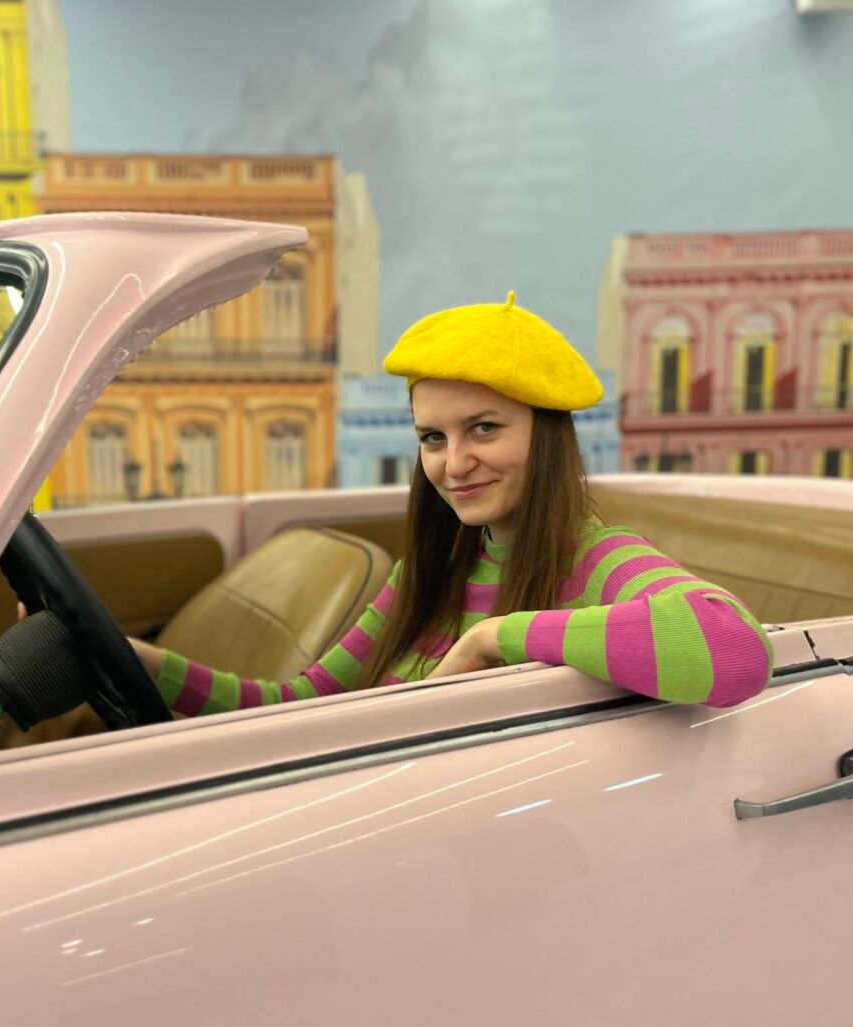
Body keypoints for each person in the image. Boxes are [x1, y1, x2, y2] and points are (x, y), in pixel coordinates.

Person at [126, 291, 773, 716]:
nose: (453, 464)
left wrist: (493, 639)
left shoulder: (598, 559)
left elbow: (734, 647)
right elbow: (296, 706)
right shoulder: (431, 574)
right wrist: (141, 663)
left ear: (545, 435)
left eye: (484, 428)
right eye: (433, 437)